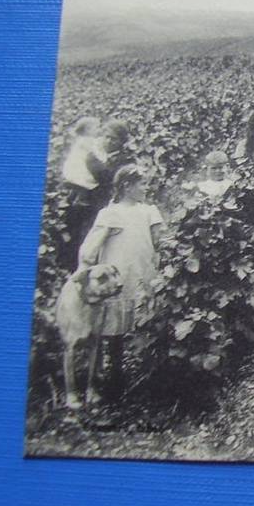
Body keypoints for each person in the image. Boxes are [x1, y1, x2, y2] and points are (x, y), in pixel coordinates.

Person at [78, 165, 164, 403]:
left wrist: (162, 247)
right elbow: (89, 249)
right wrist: (87, 272)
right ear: (127, 186)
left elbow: (159, 242)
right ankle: (113, 378)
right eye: (142, 184)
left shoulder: (149, 211)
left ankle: (148, 378)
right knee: (113, 332)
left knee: (145, 324)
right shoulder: (109, 214)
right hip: (117, 280)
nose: (147, 188)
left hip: (143, 276)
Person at [60, 116, 105, 270]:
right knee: (84, 226)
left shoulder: (82, 143)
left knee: (77, 226)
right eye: (96, 127)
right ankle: (78, 262)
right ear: (87, 130)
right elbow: (97, 164)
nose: (99, 130)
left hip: (77, 187)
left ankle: (72, 261)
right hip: (83, 187)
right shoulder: (86, 144)